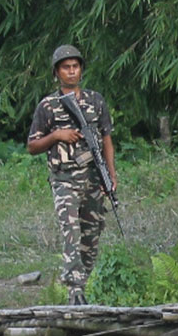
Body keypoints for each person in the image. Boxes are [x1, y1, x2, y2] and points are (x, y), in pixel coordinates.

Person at [27, 44, 116, 305]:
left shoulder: (96, 101)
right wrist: (57, 136)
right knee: (71, 232)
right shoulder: (48, 106)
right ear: (57, 72)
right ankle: (74, 290)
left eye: (75, 66)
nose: (71, 71)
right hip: (65, 178)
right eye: (66, 67)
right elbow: (32, 146)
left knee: (92, 233)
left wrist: (110, 175)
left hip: (93, 178)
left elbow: (107, 139)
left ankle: (82, 285)